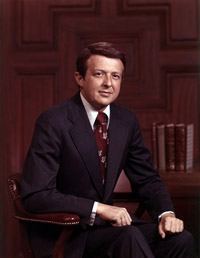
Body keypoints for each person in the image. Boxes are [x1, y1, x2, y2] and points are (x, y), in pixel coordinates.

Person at [21, 42, 195, 258]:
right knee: (128, 236)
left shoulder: (126, 121)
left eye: (115, 76)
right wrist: (99, 208)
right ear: (80, 78)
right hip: (67, 234)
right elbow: (36, 195)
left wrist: (166, 215)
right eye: (99, 74)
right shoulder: (53, 121)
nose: (108, 83)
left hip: (108, 229)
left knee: (180, 240)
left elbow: (147, 179)